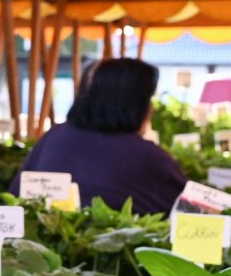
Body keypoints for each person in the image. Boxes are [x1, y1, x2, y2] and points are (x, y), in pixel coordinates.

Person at [10, 58, 185, 215]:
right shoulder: (149, 157)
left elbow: (15, 198)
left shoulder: (55, 136)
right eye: (148, 101)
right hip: (117, 249)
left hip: (38, 243)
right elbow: (193, 212)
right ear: (136, 105)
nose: (151, 109)